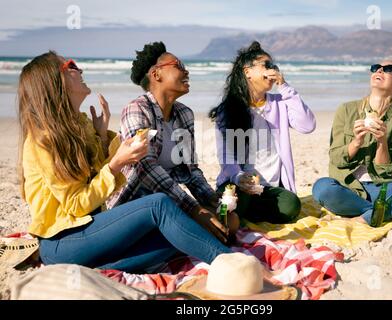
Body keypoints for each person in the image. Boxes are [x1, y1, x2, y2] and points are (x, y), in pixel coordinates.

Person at [18, 51, 231, 273]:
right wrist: (115, 164)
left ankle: (102, 270)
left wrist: (101, 139)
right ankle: (230, 262)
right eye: (70, 65)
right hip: (62, 240)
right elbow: (76, 205)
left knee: (180, 232)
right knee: (158, 204)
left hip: (91, 229)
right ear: (53, 81)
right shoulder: (43, 140)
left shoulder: (79, 125)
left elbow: (93, 187)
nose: (79, 70)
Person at [106, 41, 238, 240]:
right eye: (178, 66)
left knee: (231, 220)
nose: (187, 72)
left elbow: (191, 171)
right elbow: (145, 167)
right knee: (201, 225)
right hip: (135, 203)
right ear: (156, 74)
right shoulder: (136, 110)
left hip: (171, 200)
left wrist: (214, 201)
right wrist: (196, 211)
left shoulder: (184, 114)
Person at [312, 60, 392, 225]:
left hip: (382, 189)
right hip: (347, 189)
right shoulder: (346, 110)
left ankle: (367, 216)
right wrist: (356, 142)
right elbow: (336, 158)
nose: (379, 71)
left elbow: (385, 170)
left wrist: (382, 142)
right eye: (375, 68)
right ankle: (379, 211)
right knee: (322, 187)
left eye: (387, 69)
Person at [209, 41, 316, 224]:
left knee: (291, 205)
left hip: (270, 189)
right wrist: (239, 177)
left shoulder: (280, 102)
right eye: (266, 65)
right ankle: (235, 210)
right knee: (233, 200)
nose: (272, 69)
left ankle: (243, 213)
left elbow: (307, 125)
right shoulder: (229, 109)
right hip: (239, 182)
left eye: (273, 65)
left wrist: (285, 87)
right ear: (247, 72)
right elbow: (225, 154)